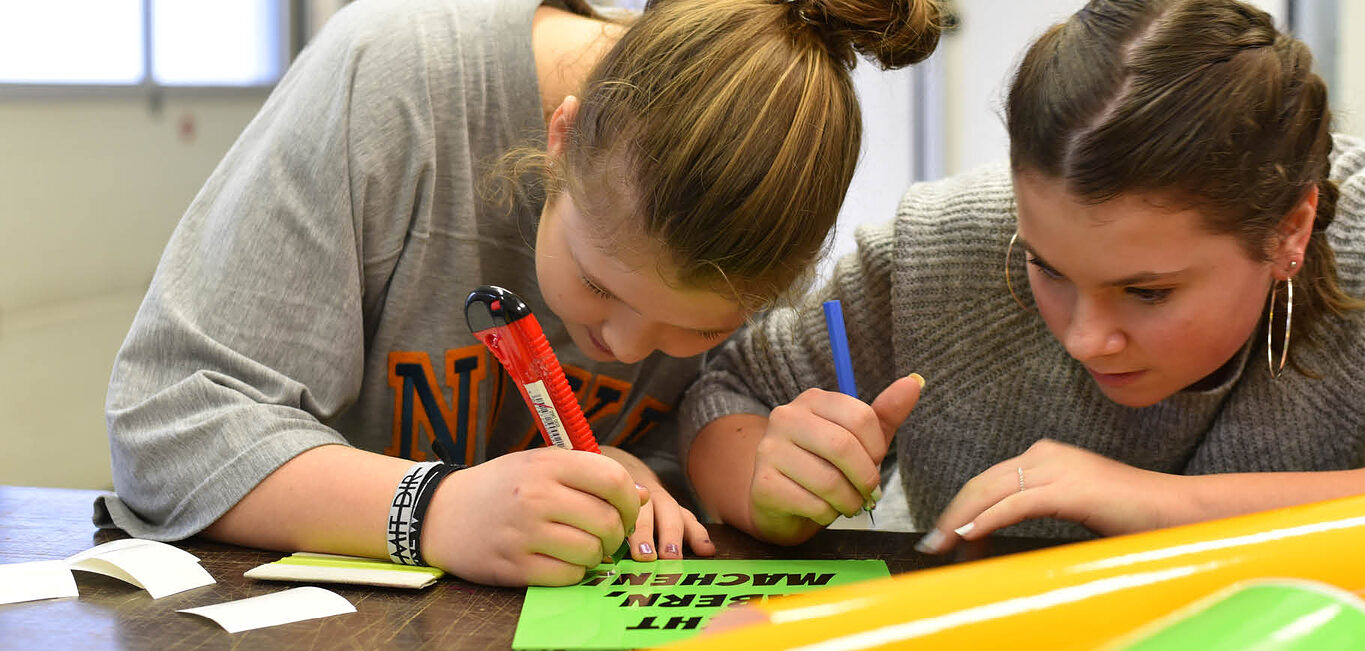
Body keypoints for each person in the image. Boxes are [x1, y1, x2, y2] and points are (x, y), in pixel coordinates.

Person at [681, 0, 1365, 605]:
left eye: (1147, 291)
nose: (1086, 337)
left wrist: (1152, 507)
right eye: (1046, 265)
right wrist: (767, 482)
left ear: (1289, 229)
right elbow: (727, 393)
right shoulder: (946, 243)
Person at [101, 0, 942, 587]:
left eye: (692, 330)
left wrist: (647, 478)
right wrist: (434, 509)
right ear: (562, 134)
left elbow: (710, 434)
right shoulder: (393, 80)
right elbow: (170, 423)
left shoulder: (760, 201)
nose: (622, 346)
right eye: (596, 283)